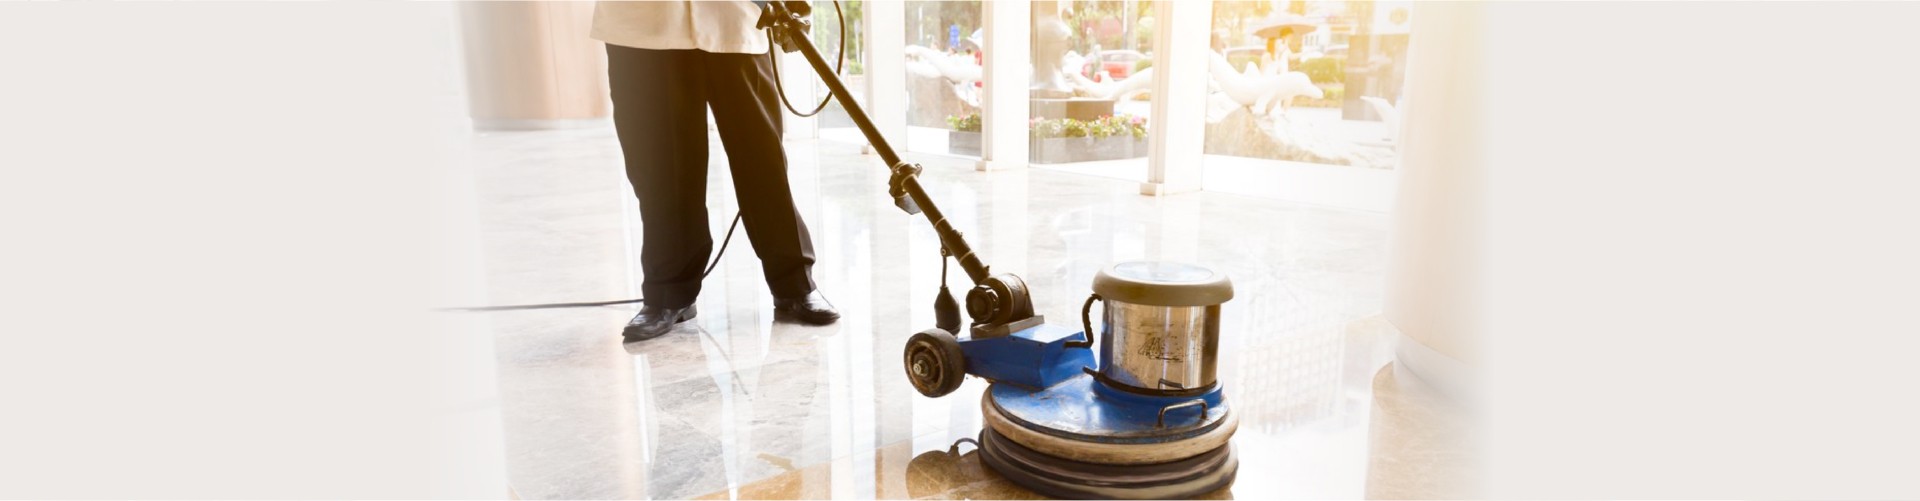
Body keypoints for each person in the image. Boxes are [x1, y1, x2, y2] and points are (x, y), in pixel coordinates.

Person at [592, 1, 839, 342]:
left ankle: (795, 284)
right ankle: (668, 294)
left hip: (734, 19)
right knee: (660, 167)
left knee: (763, 158)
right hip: (644, 25)